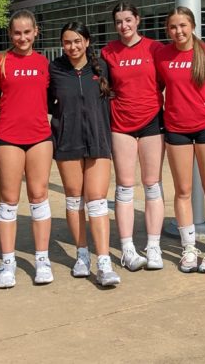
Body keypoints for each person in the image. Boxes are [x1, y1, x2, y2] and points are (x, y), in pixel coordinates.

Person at [49, 22, 120, 286]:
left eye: (77, 41)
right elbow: (45, 101)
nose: (72, 46)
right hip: (67, 141)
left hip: (98, 141)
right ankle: (81, 255)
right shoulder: (55, 69)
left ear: (87, 42)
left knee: (97, 200)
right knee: (74, 199)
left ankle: (103, 262)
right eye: (67, 42)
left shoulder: (102, 67)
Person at [154, 6, 205, 273]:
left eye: (183, 25)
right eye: (173, 27)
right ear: (167, 30)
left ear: (192, 26)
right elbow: (156, 86)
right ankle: (189, 248)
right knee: (182, 190)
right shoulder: (162, 55)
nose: (178, 31)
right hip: (176, 128)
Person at [100, 2, 165, 271]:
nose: (124, 26)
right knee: (125, 186)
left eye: (128, 20)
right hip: (121, 124)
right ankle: (127, 248)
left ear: (137, 20)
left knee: (152, 184)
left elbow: (173, 78)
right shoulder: (107, 52)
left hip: (151, 120)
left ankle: (153, 246)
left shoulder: (155, 48)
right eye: (119, 22)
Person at [0, 10, 53, 288]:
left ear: (36, 32)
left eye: (27, 32)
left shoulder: (44, 63)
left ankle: (42, 259)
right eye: (17, 32)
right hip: (9, 137)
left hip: (40, 137)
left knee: (39, 196)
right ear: (10, 33)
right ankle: (8, 263)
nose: (22, 37)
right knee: (9, 199)